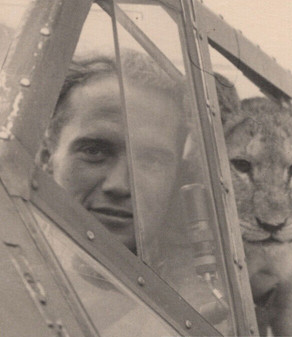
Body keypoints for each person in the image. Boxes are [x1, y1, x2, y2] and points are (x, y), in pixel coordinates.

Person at [40, 51, 187, 262]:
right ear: (47, 157)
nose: (120, 186)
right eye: (94, 151)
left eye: (150, 161)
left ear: (176, 178)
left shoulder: (206, 291)